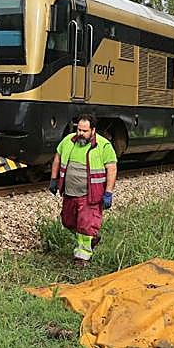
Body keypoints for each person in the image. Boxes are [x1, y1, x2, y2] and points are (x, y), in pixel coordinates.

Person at [50, 114, 118, 265]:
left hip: (90, 195)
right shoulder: (67, 141)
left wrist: (108, 193)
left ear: (93, 130)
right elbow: (57, 158)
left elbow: (111, 169)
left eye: (84, 131)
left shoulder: (104, 146)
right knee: (68, 221)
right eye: (78, 129)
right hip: (69, 192)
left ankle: (82, 257)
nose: (80, 133)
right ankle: (91, 238)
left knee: (86, 225)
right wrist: (54, 179)